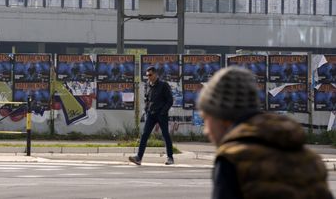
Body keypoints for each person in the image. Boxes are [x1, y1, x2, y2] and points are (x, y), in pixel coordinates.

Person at [197, 67, 333, 199]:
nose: (206, 131)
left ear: (223, 118)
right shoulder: (310, 160)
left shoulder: (232, 159)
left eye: (205, 119)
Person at [129, 66, 174, 165]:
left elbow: (170, 100)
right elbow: (147, 99)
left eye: (150, 75)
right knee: (144, 135)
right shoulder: (147, 85)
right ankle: (138, 158)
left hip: (161, 114)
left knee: (165, 135)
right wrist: (146, 109)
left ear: (155, 74)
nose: (148, 77)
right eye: (147, 75)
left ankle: (170, 157)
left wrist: (163, 111)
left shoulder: (163, 85)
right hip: (151, 114)